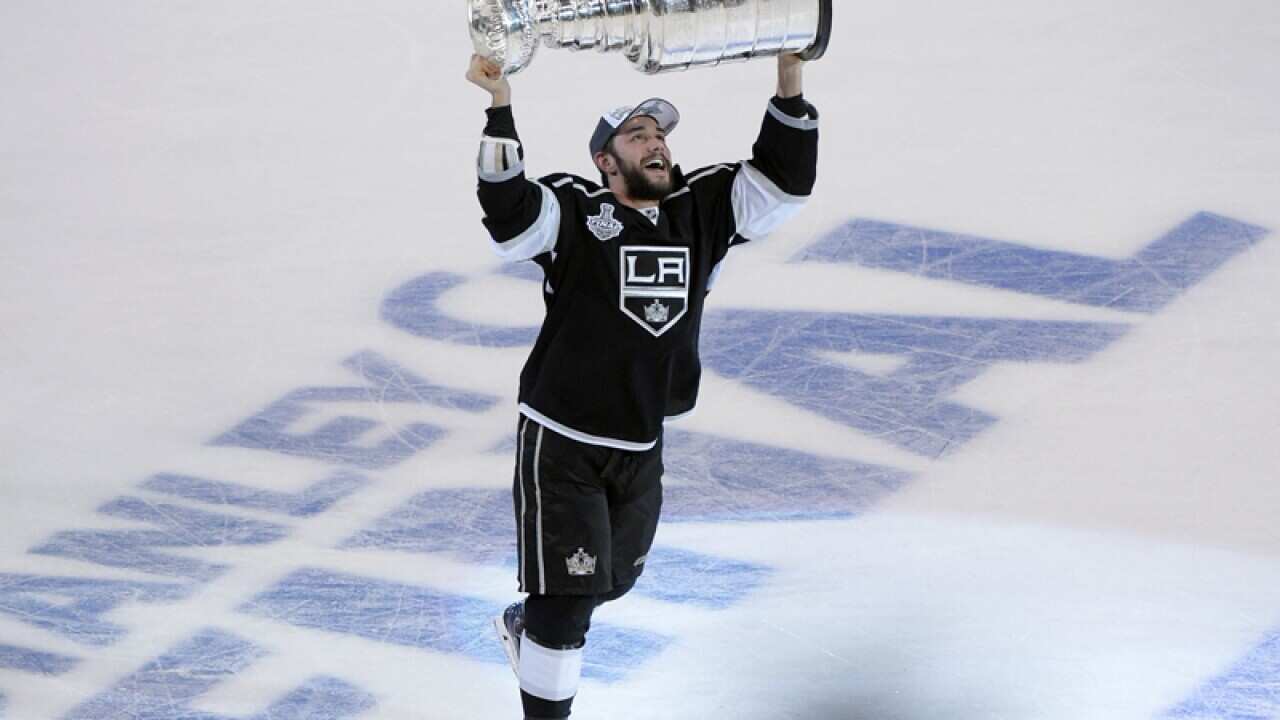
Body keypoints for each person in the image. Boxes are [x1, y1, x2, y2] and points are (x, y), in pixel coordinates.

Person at [467, 50, 819, 719]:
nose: (657, 146)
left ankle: (530, 625)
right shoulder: (577, 210)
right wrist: (499, 108)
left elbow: (783, 185)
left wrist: (789, 83)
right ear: (606, 159)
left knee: (612, 580)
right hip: (563, 439)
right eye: (637, 137)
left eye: (660, 137)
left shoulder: (701, 210)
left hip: (641, 442)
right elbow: (509, 212)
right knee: (568, 600)